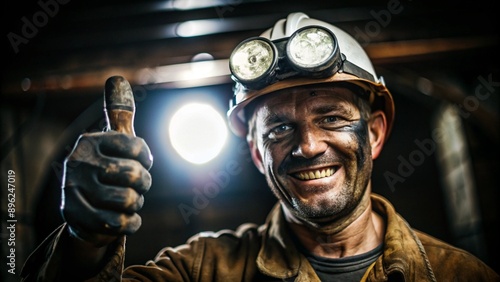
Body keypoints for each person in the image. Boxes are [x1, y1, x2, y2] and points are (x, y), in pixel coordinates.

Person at [21, 12, 499, 282]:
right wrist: (84, 241)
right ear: (255, 153)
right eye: (278, 131)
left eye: (330, 118)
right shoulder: (201, 271)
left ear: (373, 133)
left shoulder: (459, 276)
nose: (308, 146)